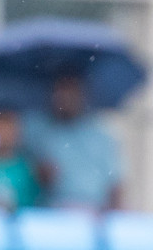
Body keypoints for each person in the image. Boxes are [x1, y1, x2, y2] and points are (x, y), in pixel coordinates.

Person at [24, 75, 122, 210]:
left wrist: (113, 216)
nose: (64, 98)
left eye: (70, 92)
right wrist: (41, 174)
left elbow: (116, 184)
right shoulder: (39, 130)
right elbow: (25, 174)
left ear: (82, 95)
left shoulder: (100, 135)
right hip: (52, 212)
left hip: (94, 214)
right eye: (60, 92)